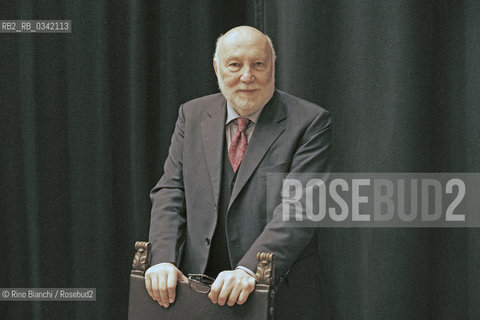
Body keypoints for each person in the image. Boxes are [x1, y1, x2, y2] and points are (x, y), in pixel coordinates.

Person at [145, 25, 331, 319]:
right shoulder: (191, 115)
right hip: (200, 297)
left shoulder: (310, 122)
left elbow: (302, 208)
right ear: (217, 68)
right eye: (235, 65)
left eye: (258, 64)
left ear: (273, 66)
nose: (247, 76)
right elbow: (171, 190)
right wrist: (164, 259)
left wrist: (250, 269)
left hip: (281, 298)